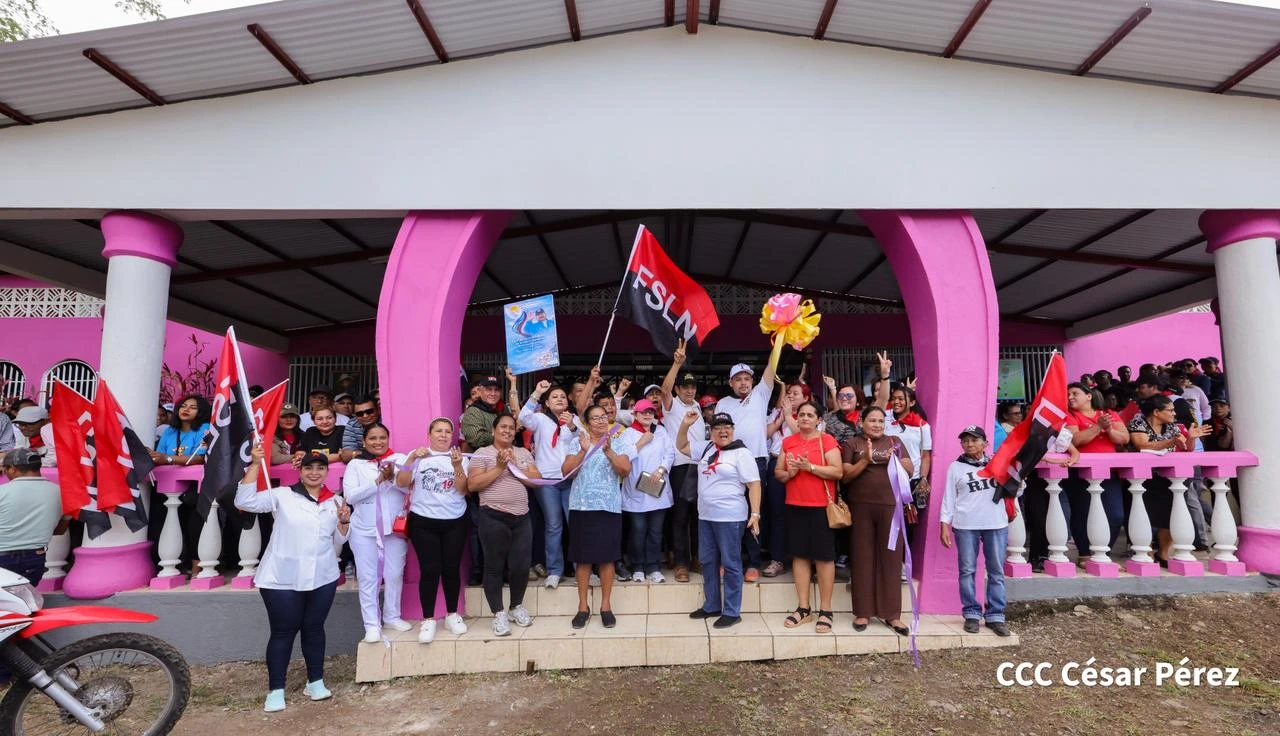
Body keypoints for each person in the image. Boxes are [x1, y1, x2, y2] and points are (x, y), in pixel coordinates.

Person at [235, 445, 350, 713]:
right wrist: (255, 464)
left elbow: (338, 541)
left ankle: (315, 681)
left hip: (322, 576)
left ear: (326, 472)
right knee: (283, 632)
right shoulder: (282, 495)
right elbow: (245, 502)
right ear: (299, 470)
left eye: (320, 468)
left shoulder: (335, 501)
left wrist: (344, 524)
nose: (314, 472)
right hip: (281, 578)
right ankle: (276, 689)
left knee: (314, 628)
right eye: (309, 467)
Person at [676, 410, 760, 628]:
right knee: (707, 561)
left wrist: (755, 514)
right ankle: (712, 604)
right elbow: (682, 446)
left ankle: (732, 611)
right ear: (711, 431)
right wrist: (685, 425)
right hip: (705, 516)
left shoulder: (741, 453)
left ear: (732, 430)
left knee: (731, 563)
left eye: (727, 427)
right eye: (717, 428)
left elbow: (754, 484)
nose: (723, 431)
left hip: (731, 517)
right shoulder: (706, 447)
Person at [841, 406, 913, 634]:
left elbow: (910, 470)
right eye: (872, 420)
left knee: (891, 560)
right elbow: (845, 475)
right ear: (862, 422)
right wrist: (866, 461)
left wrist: (897, 461)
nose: (877, 425)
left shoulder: (894, 441)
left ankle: (892, 615)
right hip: (861, 507)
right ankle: (863, 613)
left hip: (891, 508)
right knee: (862, 559)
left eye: (881, 421)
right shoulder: (852, 444)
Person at [561, 405, 634, 629]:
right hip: (582, 507)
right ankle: (583, 607)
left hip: (609, 507)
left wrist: (609, 452)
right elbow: (566, 472)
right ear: (587, 422)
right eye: (596, 418)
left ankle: (605, 606)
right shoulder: (577, 441)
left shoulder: (618, 441)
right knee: (582, 559)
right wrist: (583, 451)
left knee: (607, 558)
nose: (601, 421)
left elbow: (625, 470)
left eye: (604, 417)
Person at [398, 418, 471, 643]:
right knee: (429, 569)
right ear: (429, 434)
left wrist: (457, 466)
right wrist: (412, 458)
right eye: (438, 431)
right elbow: (402, 481)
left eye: (448, 431)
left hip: (455, 520)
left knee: (451, 568)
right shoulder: (418, 456)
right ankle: (428, 619)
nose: (443, 435)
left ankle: (452, 615)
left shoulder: (460, 458)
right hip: (423, 521)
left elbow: (463, 490)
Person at [467, 413, 541, 636]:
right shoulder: (482, 454)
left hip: (522, 517)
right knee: (494, 566)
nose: (507, 431)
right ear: (493, 430)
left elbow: (536, 480)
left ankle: (515, 606)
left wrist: (516, 465)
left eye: (511, 428)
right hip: (493, 516)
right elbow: (473, 484)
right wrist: (499, 467)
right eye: (503, 427)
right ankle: (498, 613)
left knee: (520, 566)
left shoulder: (523, 453)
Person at [774, 401, 842, 634]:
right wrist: (791, 472)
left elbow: (837, 471)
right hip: (795, 504)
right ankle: (804, 608)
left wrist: (810, 467)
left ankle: (826, 610)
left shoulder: (827, 441)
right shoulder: (788, 442)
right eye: (801, 414)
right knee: (800, 556)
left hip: (821, 506)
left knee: (824, 557)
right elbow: (779, 473)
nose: (804, 418)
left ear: (818, 419)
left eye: (810, 414)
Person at [714, 351, 781, 583]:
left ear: (753, 381)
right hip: (729, 462)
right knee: (731, 512)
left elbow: (771, 367)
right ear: (731, 382)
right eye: (738, 379)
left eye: (747, 378)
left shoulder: (761, 395)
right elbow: (717, 434)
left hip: (756, 462)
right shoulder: (722, 403)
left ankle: (753, 562)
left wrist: (779, 337)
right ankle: (729, 560)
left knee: (755, 513)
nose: (744, 383)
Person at [341, 423, 411, 643]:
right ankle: (371, 624)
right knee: (368, 578)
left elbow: (408, 488)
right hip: (365, 531)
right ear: (364, 441)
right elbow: (351, 496)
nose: (378, 442)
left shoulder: (399, 459)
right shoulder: (355, 464)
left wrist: (391, 478)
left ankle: (392, 615)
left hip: (393, 529)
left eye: (382, 437)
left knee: (394, 574)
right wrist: (378, 481)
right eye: (372, 438)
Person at [938, 426, 1011, 637]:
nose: (969, 444)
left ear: (985, 443)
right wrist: (945, 523)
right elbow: (949, 498)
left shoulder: (998, 463)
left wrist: (1017, 476)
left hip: (995, 523)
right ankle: (971, 613)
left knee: (996, 570)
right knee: (967, 570)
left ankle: (996, 615)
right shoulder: (956, 467)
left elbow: (1016, 489)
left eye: (974, 440)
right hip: (966, 524)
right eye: (965, 440)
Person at [1128, 395, 1210, 562]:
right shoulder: (1139, 422)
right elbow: (1142, 445)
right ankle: (1146, 552)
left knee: (1171, 515)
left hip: (1168, 477)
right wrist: (1171, 441)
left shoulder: (1172, 426)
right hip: (1143, 478)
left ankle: (1163, 552)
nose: (1174, 413)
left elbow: (1185, 448)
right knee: (1144, 514)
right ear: (1157, 412)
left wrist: (1191, 438)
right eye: (1170, 410)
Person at [518, 379, 579, 590]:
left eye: (562, 396)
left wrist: (572, 426)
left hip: (570, 479)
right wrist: (536, 392)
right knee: (553, 525)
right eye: (555, 397)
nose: (559, 399)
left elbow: (584, 443)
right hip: (547, 481)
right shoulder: (540, 419)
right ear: (547, 402)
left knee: (576, 524)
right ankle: (555, 570)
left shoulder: (575, 420)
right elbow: (522, 417)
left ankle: (582, 568)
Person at [1064, 382, 1129, 562]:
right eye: (1068, 394)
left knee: (1115, 515)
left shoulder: (1109, 414)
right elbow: (1075, 440)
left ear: (1089, 396)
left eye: (1074, 393)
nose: (1070, 397)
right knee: (1083, 513)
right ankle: (1085, 555)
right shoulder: (1070, 416)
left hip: (1108, 472)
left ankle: (1103, 553)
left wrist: (1108, 429)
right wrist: (1097, 427)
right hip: (1081, 473)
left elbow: (1124, 438)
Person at [659, 340, 706, 583]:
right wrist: (676, 364)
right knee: (680, 517)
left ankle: (698, 558)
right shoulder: (672, 405)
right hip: (679, 467)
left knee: (700, 516)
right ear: (678, 390)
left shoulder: (697, 406)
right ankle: (680, 563)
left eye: (692, 387)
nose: (689, 390)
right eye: (685, 387)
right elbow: (664, 390)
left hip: (701, 467)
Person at [622, 399, 675, 583]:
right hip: (636, 489)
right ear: (634, 414)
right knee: (638, 529)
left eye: (650, 412)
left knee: (655, 531)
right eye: (643, 412)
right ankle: (637, 566)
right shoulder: (627, 434)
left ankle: (653, 567)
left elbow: (670, 453)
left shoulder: (661, 431)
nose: (647, 415)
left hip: (657, 487)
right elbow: (623, 457)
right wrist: (641, 442)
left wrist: (661, 469)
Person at [0, 448, 66, 585]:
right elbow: (60, 530)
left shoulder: (2, 492)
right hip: (34, 560)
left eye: (5, 469)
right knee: (24, 602)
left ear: (12, 469)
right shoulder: (60, 493)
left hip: (3, 558)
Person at [885, 384, 932, 512]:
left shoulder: (922, 425)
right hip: (887, 477)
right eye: (893, 398)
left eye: (901, 399)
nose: (896, 402)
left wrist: (923, 478)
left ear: (911, 403)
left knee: (908, 521)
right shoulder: (885, 418)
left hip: (911, 480)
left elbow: (925, 456)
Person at [150, 395, 211, 466]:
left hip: (194, 476)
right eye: (183, 406)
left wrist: (168, 458)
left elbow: (200, 458)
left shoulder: (205, 428)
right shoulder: (169, 430)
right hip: (168, 475)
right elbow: (160, 457)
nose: (186, 409)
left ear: (201, 412)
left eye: (193, 408)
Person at [461, 376, 503, 451]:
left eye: (496, 390)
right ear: (480, 391)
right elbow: (476, 439)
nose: (493, 393)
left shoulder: (502, 409)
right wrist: (503, 436)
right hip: (483, 460)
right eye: (489, 389)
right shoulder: (473, 411)